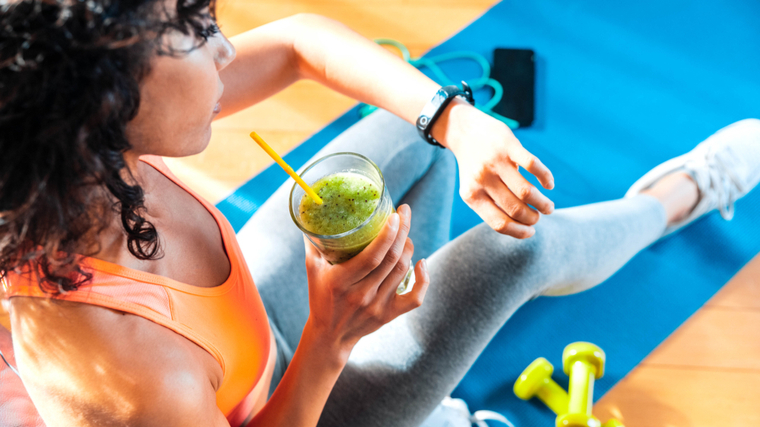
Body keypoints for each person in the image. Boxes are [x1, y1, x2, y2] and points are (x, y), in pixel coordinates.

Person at [0, 0, 758, 426]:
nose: (226, 49)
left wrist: (455, 121)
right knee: (511, 255)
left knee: (414, 126)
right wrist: (334, 336)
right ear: (103, 100)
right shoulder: (132, 371)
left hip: (257, 342)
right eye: (192, 31)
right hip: (302, 409)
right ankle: (680, 194)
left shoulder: (87, 159)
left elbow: (300, 42)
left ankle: (414, 347)